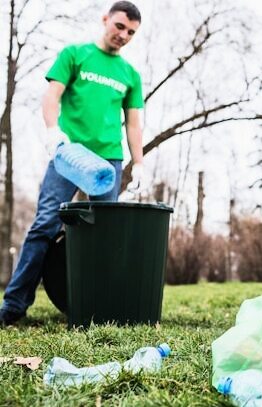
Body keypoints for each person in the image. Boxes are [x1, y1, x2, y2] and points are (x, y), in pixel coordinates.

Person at [0, 1, 146, 326]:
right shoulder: (75, 54)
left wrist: (139, 164)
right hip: (69, 154)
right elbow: (52, 95)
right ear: (106, 19)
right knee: (45, 225)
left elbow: (134, 123)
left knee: (104, 235)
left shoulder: (130, 74)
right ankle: (13, 307)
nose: (123, 35)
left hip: (108, 159)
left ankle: (99, 306)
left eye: (131, 32)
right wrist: (53, 132)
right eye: (120, 26)